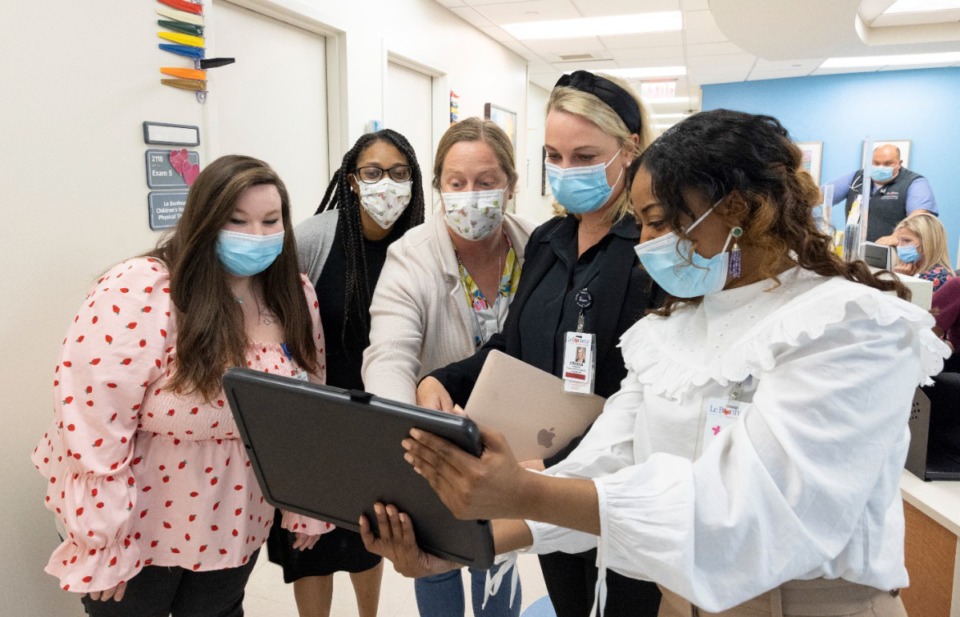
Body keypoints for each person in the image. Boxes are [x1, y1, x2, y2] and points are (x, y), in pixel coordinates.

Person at [360, 110, 951, 617]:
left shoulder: (847, 326)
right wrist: (465, 544)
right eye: (641, 222)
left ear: (741, 209)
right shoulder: (673, 331)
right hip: (677, 602)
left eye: (662, 222)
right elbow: (604, 466)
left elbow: (745, 516)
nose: (644, 242)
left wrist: (522, 493)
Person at [32, 155, 332, 616]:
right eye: (238, 221)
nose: (257, 235)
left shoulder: (292, 293)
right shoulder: (143, 290)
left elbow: (305, 406)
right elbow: (92, 421)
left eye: (270, 221)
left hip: (232, 519)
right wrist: (102, 539)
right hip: (137, 521)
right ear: (204, 221)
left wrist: (306, 502)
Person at [416, 70, 662, 617]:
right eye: (554, 155)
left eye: (584, 156)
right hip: (538, 478)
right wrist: (442, 378)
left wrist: (553, 473)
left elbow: (650, 393)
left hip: (615, 485)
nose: (566, 172)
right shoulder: (550, 242)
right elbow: (512, 342)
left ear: (630, 150)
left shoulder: (651, 250)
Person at [361, 117, 536, 617]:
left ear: (511, 184)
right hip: (437, 446)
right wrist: (399, 427)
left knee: (499, 565)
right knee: (437, 561)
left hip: (516, 441)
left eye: (486, 182)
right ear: (439, 186)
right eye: (456, 184)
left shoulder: (537, 246)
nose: (470, 195)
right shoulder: (411, 257)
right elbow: (388, 355)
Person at [266, 129, 426, 617]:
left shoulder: (420, 243)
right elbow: (272, 315)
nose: (387, 183)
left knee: (368, 536)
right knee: (310, 549)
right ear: (352, 180)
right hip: (314, 419)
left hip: (382, 421)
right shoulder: (318, 237)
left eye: (400, 173)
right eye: (373, 172)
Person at [826, 143, 938, 245]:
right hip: (855, 251)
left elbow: (918, 217)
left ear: (899, 163)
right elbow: (820, 195)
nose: (880, 167)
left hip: (893, 255)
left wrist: (896, 237)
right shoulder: (857, 178)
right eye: (876, 163)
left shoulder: (914, 182)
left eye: (887, 163)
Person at [891, 212, 955, 292]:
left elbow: (908, 302)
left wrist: (900, 278)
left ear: (928, 243)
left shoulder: (938, 277)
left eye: (907, 240)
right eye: (898, 240)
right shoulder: (909, 269)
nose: (899, 246)